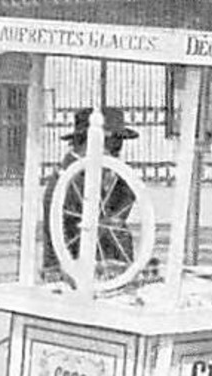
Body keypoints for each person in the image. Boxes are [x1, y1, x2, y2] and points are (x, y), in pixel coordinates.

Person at [41, 107, 140, 279]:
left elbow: (119, 214)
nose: (117, 148)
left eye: (119, 142)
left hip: (108, 267)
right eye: (113, 141)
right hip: (72, 267)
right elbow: (73, 227)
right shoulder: (68, 175)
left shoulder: (115, 174)